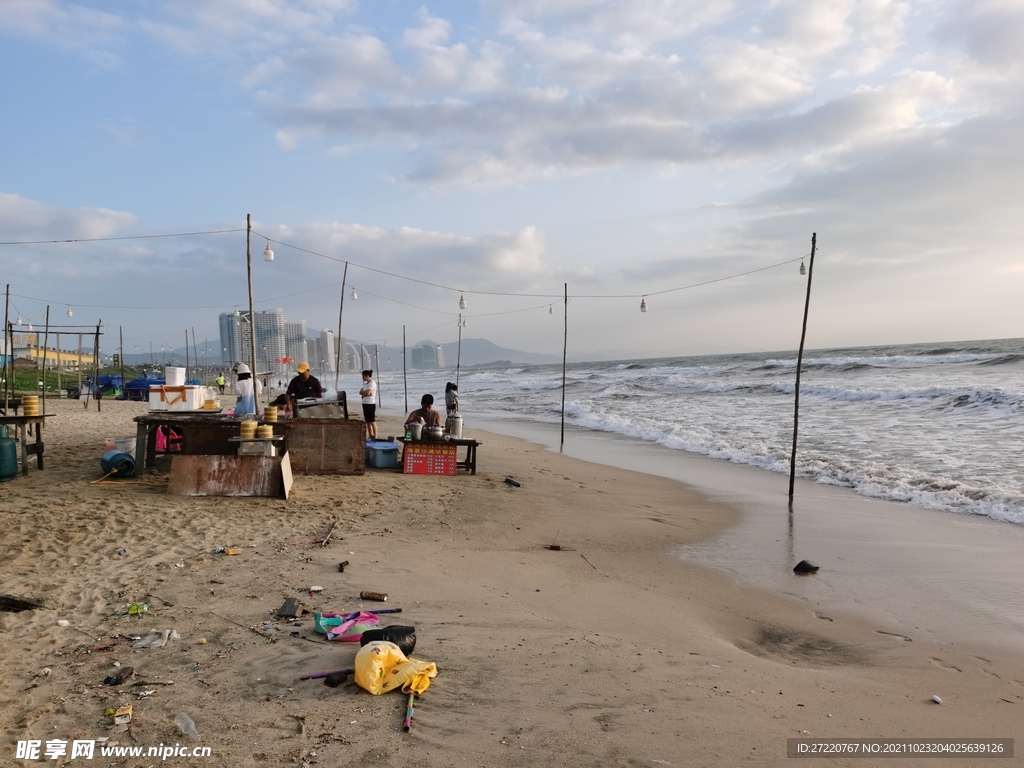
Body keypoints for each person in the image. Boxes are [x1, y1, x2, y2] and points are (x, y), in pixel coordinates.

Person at [359, 369, 378, 440]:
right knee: (368, 422)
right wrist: (365, 393)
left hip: (370, 404)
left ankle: (375, 436)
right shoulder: (365, 384)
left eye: (363, 376)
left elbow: (367, 393)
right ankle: (370, 435)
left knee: (372, 421)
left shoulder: (372, 383)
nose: (362, 378)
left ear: (367, 376)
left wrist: (365, 393)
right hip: (364, 403)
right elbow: (361, 392)